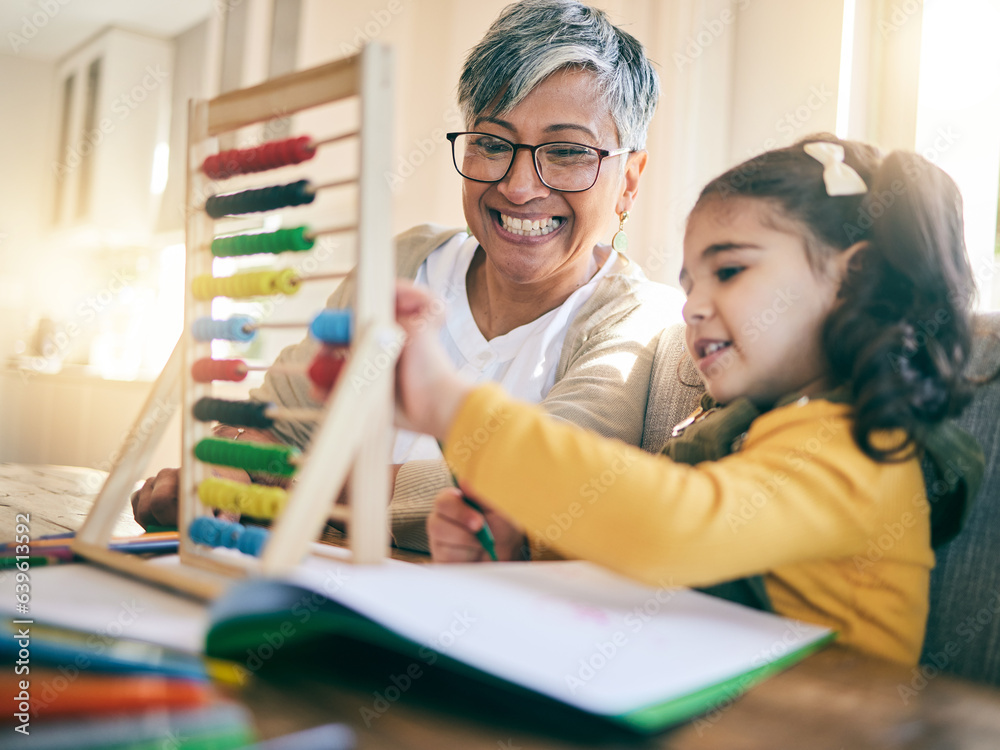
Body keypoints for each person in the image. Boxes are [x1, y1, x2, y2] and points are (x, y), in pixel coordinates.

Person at [394, 135, 985, 666]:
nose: (693, 306)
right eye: (690, 284)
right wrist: (518, 553)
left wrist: (455, 406)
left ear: (849, 282)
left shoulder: (862, 448)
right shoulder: (750, 429)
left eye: (728, 271)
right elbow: (648, 574)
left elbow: (671, 529)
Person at [131, 0, 685, 552]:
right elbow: (276, 426)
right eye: (492, 143)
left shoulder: (636, 323)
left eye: (566, 152)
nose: (519, 187)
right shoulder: (403, 264)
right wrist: (231, 471)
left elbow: (537, 490)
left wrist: (292, 479)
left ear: (630, 179)